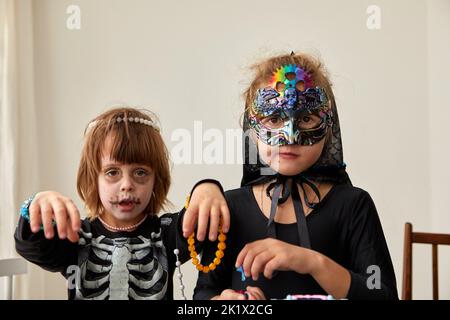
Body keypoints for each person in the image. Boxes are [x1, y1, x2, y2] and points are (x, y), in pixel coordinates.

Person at [193, 53, 398, 300]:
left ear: (328, 123)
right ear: (251, 126)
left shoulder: (354, 205)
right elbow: (204, 294)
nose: (289, 136)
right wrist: (225, 301)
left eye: (306, 118)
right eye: (274, 118)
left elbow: (381, 293)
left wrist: (311, 262)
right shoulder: (229, 209)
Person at [15, 107, 230, 300]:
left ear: (157, 180)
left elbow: (201, 216)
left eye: (140, 172)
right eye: (112, 172)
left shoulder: (166, 234)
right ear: (93, 178)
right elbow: (31, 246)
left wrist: (207, 187)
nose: (127, 185)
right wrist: (35, 206)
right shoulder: (76, 235)